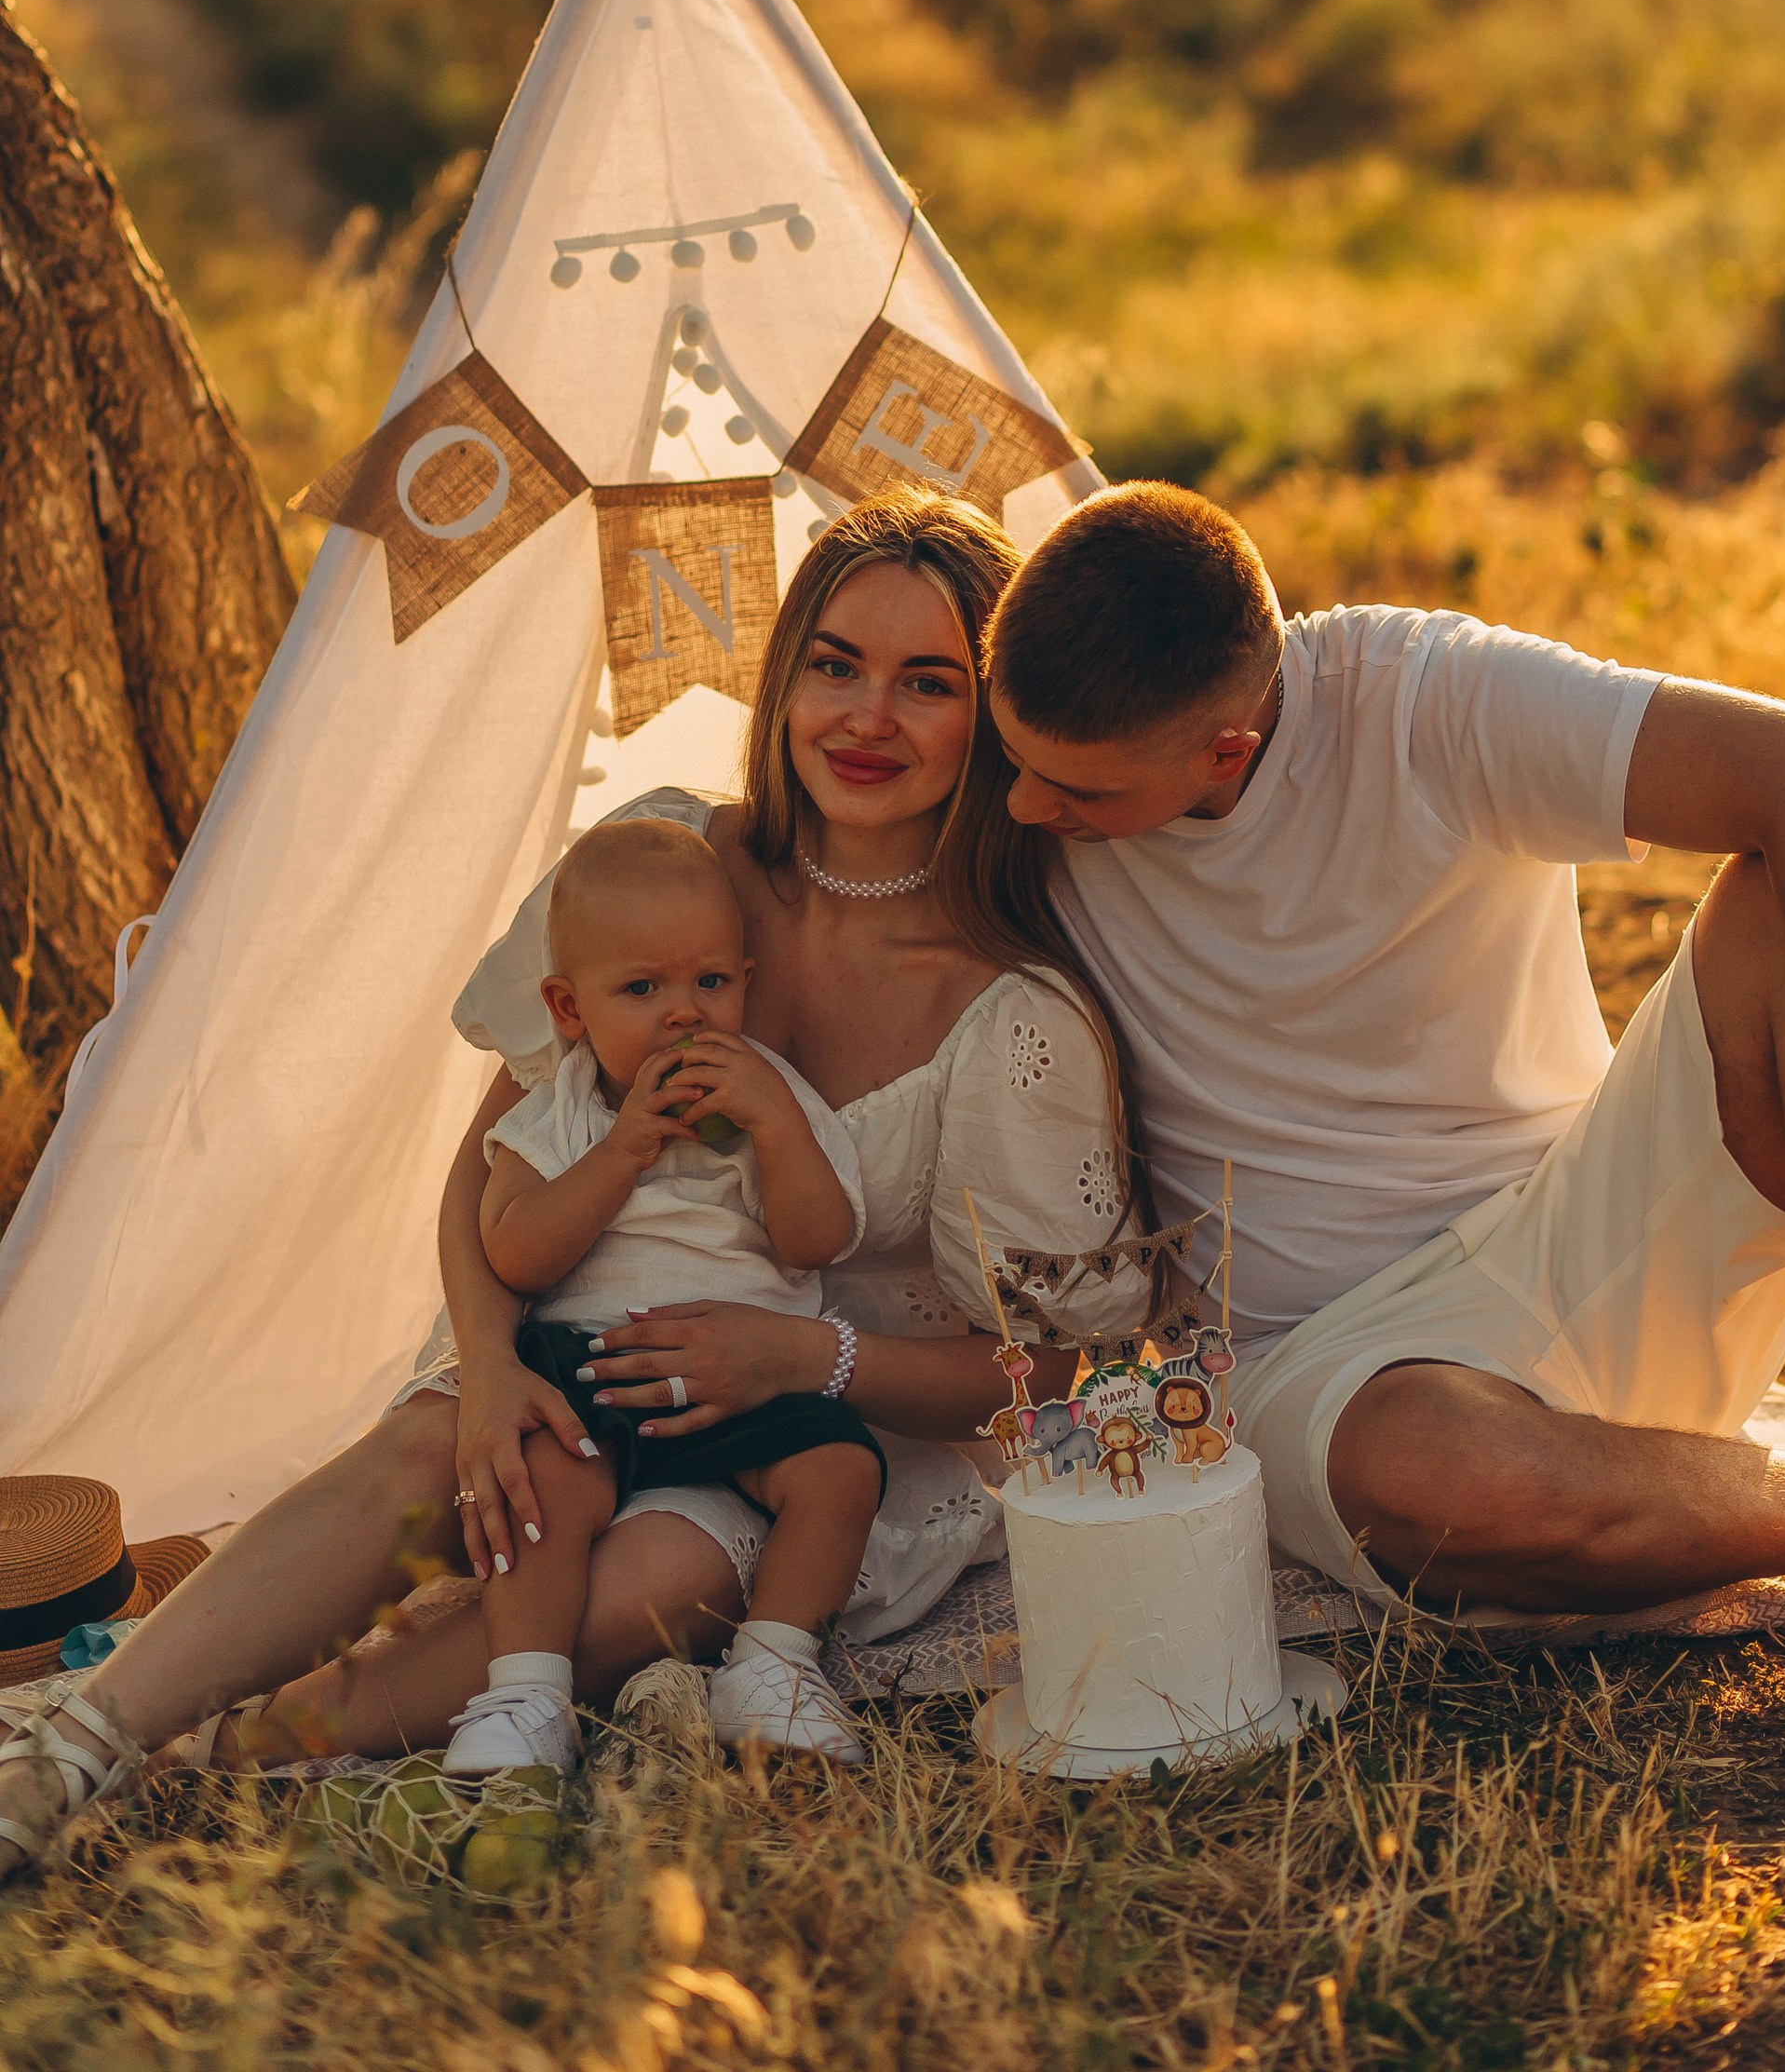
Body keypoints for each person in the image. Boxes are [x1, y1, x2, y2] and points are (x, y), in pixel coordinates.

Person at [985, 481, 1785, 1829]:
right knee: (1448, 1485)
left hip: (1584, 1233)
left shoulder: (1422, 697)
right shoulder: (1020, 790)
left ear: (1226, 753)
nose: (1020, 803)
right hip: (1326, 1368)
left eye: (1073, 787)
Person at [0, 492, 1144, 1876]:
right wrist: (485, 1368)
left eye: (927, 683)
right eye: (834, 664)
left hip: (812, 1434)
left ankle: (231, 1748)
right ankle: (68, 1752)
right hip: (569, 1341)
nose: (866, 718)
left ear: (991, 716)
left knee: (650, 1581)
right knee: (446, 1451)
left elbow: (1042, 1373)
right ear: (785, 679)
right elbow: (485, 1170)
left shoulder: (1006, 1011)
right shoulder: (663, 868)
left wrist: (808, 1352)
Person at [449, 817, 886, 1773]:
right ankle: (524, 1693)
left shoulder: (762, 1098)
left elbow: (818, 1239)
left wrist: (771, 1126)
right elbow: (514, 1250)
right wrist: (623, 1151)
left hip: (741, 1378)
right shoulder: (565, 1110)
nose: (683, 1014)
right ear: (570, 1009)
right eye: (642, 989)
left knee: (840, 1474)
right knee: (540, 1485)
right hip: (590, 1370)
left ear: (745, 983)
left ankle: (773, 1665)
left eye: (710, 984)